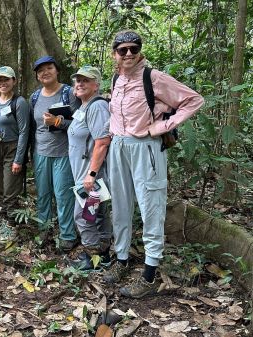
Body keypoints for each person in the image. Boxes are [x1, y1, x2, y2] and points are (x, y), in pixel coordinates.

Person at [104, 30, 204, 298]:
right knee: (121, 205)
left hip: (145, 148)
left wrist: (162, 126)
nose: (128, 54)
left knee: (151, 206)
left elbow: (193, 100)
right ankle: (122, 259)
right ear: (114, 53)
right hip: (118, 147)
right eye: (122, 49)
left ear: (140, 51)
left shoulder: (153, 77)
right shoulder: (116, 79)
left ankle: (149, 274)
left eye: (133, 49)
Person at [29, 56, 78, 252]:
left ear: (57, 70)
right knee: (43, 194)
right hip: (41, 152)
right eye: (41, 70)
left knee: (63, 194)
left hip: (63, 153)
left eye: (49, 68)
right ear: (37, 76)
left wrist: (58, 122)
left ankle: (68, 235)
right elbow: (33, 128)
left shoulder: (69, 93)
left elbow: (80, 124)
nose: (45, 72)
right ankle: (44, 230)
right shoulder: (35, 97)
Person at [66, 66, 112, 270]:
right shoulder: (83, 107)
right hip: (85, 174)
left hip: (93, 177)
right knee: (96, 214)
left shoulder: (97, 106)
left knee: (83, 216)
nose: (80, 83)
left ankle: (92, 257)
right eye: (78, 80)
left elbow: (102, 142)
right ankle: (104, 255)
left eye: (86, 80)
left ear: (96, 85)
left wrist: (91, 174)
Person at [0, 66, 30, 237]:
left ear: (14, 81)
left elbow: (24, 132)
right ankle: (2, 224)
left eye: (6, 79)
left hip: (13, 148)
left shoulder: (19, 102)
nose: (3, 83)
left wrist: (19, 159)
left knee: (11, 189)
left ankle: (12, 228)